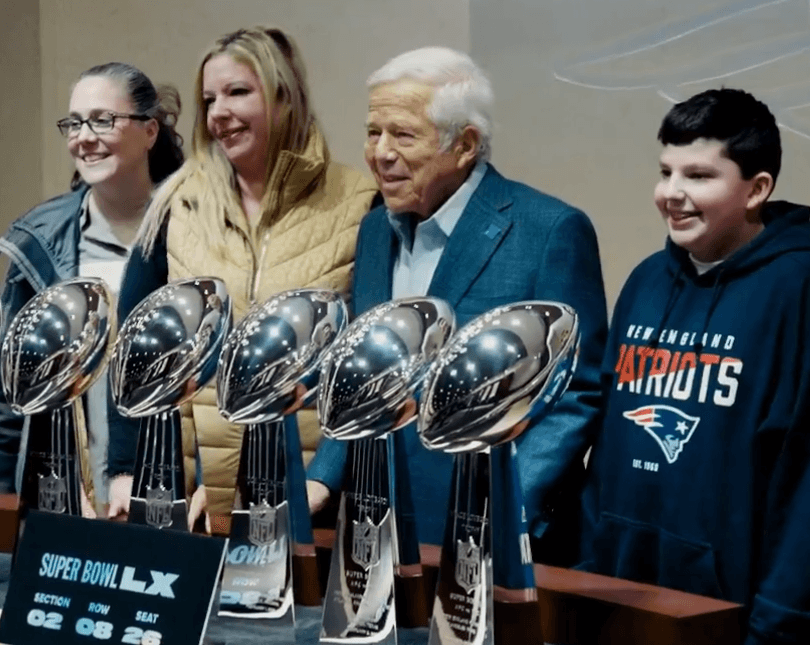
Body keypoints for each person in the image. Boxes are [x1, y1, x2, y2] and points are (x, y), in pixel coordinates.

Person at [306, 47, 608, 574]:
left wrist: (506, 505)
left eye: (402, 135)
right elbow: (361, 377)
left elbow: (575, 393)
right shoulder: (376, 228)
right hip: (374, 524)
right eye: (373, 132)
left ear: (465, 144)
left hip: (489, 538)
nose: (379, 153)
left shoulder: (548, 230)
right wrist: (321, 478)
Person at [105, 27, 378, 529]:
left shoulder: (359, 203)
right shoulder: (176, 202)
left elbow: (368, 365)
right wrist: (125, 471)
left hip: (312, 505)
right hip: (188, 504)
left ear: (285, 97)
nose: (218, 114)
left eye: (237, 92)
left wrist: (320, 481)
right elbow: (134, 350)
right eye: (209, 99)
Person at [576, 88, 810, 644]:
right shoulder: (647, 280)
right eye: (665, 172)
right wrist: (587, 567)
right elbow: (606, 446)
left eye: (699, 176)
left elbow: (801, 472)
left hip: (734, 610)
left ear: (757, 189)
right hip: (620, 594)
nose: (671, 194)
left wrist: (779, 618)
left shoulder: (796, 288)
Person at [0, 62, 184, 513]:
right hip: (64, 498)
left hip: (166, 495)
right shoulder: (38, 244)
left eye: (103, 119)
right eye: (74, 123)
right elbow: (10, 402)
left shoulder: (193, 230)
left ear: (150, 131)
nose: (84, 137)